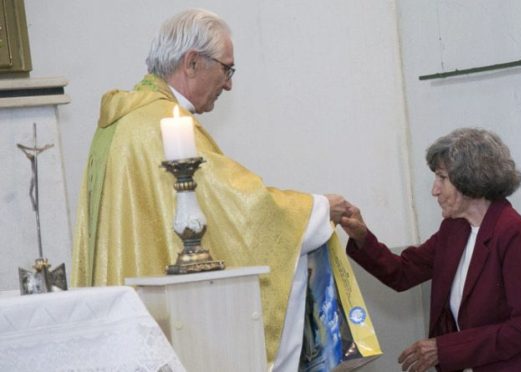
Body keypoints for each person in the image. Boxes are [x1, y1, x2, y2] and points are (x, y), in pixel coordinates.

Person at [71, 9, 350, 371]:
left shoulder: (121, 121)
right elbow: (239, 208)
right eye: (226, 69)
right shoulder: (163, 124)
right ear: (191, 63)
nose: (229, 83)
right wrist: (316, 210)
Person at [340, 128, 521, 371]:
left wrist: (444, 349)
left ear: (470, 179)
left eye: (442, 178)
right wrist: (362, 237)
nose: (435, 190)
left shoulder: (514, 232)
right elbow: (402, 272)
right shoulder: (453, 229)